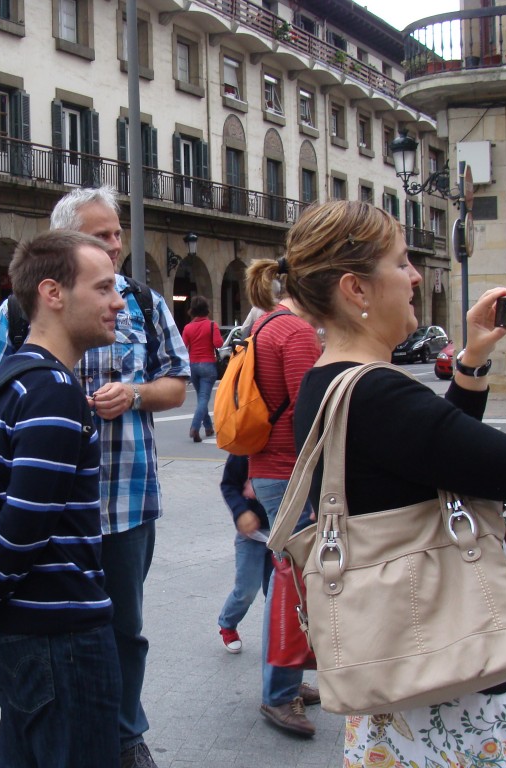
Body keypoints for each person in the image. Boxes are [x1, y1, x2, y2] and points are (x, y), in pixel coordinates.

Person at [283, 200, 506, 767]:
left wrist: (471, 364)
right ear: (357, 290)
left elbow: (430, 461)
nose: (415, 276)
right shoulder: (377, 394)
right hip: (452, 691)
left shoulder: (329, 384)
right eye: (402, 262)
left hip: (398, 683)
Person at [0, 186, 189, 768]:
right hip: (53, 515)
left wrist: (137, 393)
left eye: (118, 233)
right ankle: (59, 721)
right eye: (101, 237)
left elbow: (178, 382)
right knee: (65, 648)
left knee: (124, 627)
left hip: (125, 498)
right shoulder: (29, 333)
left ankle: (124, 730)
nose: (117, 246)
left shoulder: (141, 301)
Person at [0, 230, 124, 767]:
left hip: (27, 632)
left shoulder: (9, 377)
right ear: (53, 293)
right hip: (59, 633)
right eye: (104, 287)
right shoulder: (52, 389)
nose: (118, 301)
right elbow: (29, 512)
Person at [243, 247, 323, 738]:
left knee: (287, 578)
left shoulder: (267, 323)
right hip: (289, 471)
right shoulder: (295, 332)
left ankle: (288, 675)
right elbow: (311, 413)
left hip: (270, 468)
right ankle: (278, 694)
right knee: (293, 580)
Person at [216, 454, 271, 653]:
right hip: (251, 536)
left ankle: (277, 638)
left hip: (284, 532)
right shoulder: (246, 446)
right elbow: (229, 485)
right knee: (246, 590)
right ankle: (228, 623)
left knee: (277, 592)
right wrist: (240, 512)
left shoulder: (290, 444)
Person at [179, 296, 222, 442]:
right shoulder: (212, 325)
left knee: (200, 398)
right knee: (204, 399)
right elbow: (218, 343)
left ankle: (209, 428)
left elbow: (182, 347)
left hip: (193, 366)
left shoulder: (187, 328)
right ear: (206, 309)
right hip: (208, 365)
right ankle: (195, 427)